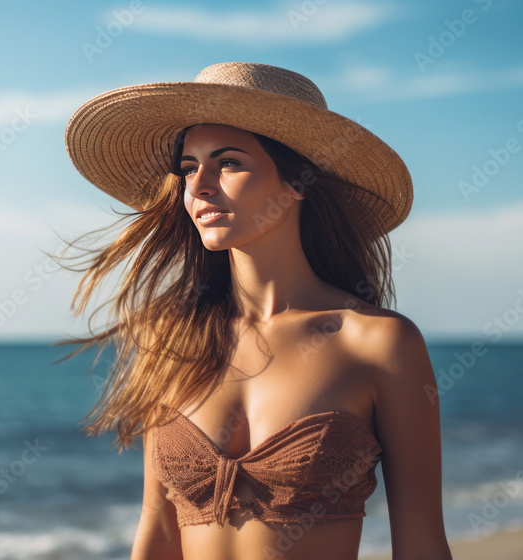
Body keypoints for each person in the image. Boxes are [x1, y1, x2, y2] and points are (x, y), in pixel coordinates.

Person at [57, 62, 452, 560]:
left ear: (298, 181)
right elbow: (157, 533)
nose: (199, 187)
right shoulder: (169, 338)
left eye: (227, 164)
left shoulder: (377, 341)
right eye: (188, 167)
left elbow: (420, 542)